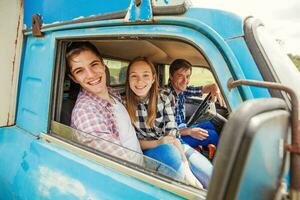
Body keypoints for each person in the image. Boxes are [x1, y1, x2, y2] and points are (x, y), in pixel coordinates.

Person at [125, 57, 213, 189]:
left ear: (153, 78)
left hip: (174, 143)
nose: (139, 81)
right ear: (128, 79)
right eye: (134, 76)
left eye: (145, 75)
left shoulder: (165, 97)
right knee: (170, 154)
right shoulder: (124, 103)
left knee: (210, 177)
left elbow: (173, 134)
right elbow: (132, 142)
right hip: (151, 149)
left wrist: (185, 165)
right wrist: (158, 143)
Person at [65, 41, 142, 160]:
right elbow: (122, 165)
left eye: (94, 64)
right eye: (79, 71)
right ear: (73, 79)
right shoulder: (85, 112)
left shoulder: (112, 92)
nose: (91, 75)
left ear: (103, 64)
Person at [166, 59, 226, 149]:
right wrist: (190, 131)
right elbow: (165, 131)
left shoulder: (182, 90)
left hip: (182, 127)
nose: (185, 81)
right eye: (180, 76)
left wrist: (214, 87)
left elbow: (203, 89)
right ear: (171, 76)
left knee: (209, 124)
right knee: (212, 135)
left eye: (187, 76)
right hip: (173, 138)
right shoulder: (165, 97)